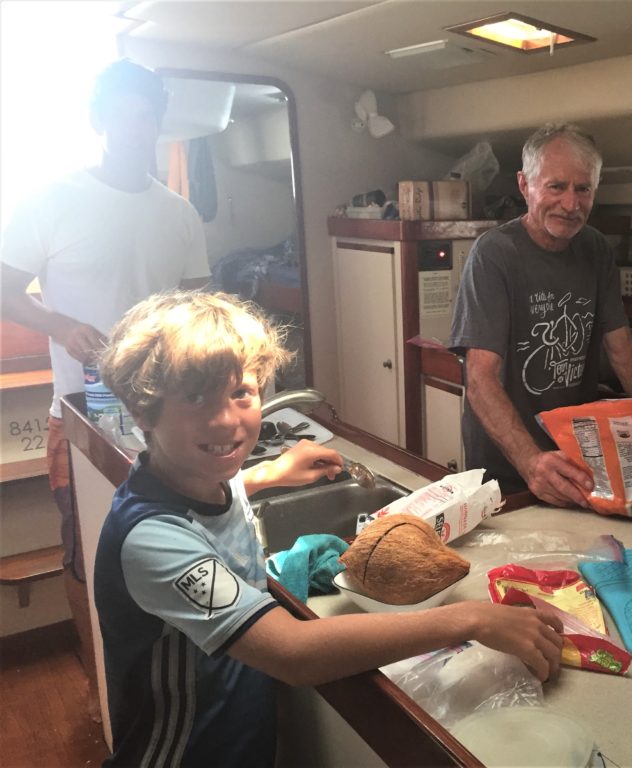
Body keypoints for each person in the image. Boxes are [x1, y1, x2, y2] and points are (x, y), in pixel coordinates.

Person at [94, 291, 563, 766]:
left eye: (241, 393)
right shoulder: (152, 539)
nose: (226, 420)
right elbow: (292, 653)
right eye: (195, 398)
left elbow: (224, 492)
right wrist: (470, 619)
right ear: (141, 410)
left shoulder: (201, 479)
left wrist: (267, 474)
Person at [0, 58, 210, 717]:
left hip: (166, 421)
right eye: (123, 111)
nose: (136, 124)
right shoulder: (50, 198)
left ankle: (170, 686)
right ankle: (104, 690)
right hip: (86, 417)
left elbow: (197, 309)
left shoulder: (180, 214)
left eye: (147, 112)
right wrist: (60, 324)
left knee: (172, 549)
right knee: (88, 558)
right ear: (98, 120)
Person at [450, 123, 632, 507]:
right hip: (511, 471)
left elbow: (622, 351)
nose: (571, 204)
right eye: (556, 186)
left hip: (582, 462)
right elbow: (480, 377)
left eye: (583, 189)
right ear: (524, 184)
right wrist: (531, 462)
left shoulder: (596, 249)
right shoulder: (494, 255)